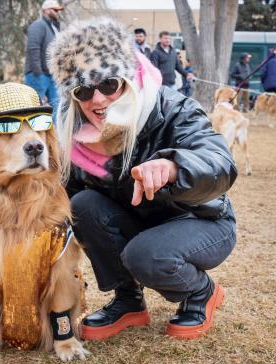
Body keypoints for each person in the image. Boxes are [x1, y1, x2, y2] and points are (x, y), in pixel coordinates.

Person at [48, 19, 237, 341]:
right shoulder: (75, 136)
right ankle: (129, 300)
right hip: (143, 225)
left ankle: (201, 291)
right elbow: (65, 198)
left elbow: (221, 164)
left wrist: (175, 165)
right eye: (83, 90)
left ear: (129, 77)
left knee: (145, 255)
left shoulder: (173, 108)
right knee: (82, 204)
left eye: (108, 84)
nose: (97, 100)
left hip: (200, 220)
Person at [24, 0, 63, 116]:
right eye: (55, 10)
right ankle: (32, 134)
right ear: (46, 10)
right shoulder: (38, 25)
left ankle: (54, 133)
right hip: (38, 75)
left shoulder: (53, 27)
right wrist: (38, 73)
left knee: (56, 107)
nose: (58, 13)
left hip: (51, 76)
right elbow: (33, 49)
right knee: (34, 108)